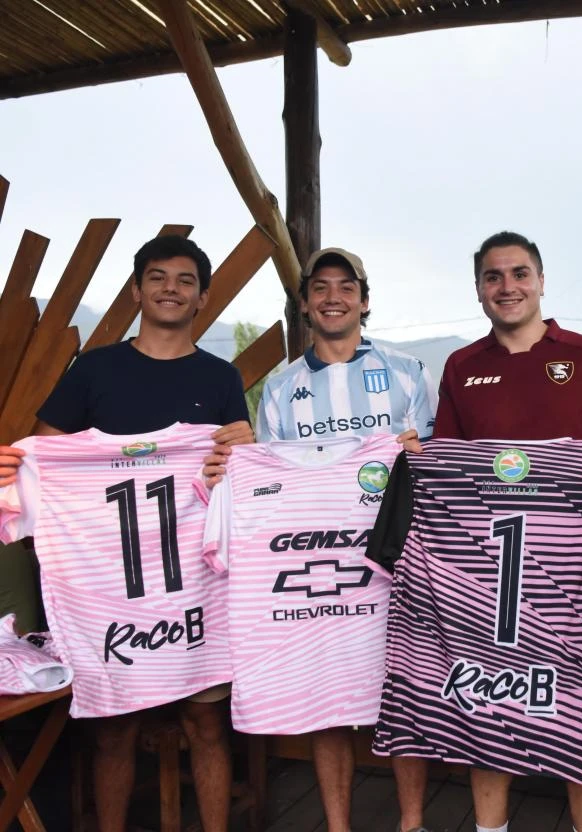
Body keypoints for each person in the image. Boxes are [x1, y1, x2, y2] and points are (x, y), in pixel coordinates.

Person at [0, 234, 253, 832]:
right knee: (114, 727)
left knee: (207, 725)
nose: (171, 288)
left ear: (202, 297)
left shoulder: (220, 377)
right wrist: (14, 468)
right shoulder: (94, 370)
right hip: (108, 589)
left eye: (185, 280)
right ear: (137, 289)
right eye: (158, 277)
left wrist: (243, 451)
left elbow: (243, 472)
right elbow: (46, 456)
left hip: (194, 582)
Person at [205, 246, 437, 832]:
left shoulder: (408, 372)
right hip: (314, 562)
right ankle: (338, 826)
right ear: (305, 302)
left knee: (401, 691)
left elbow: (435, 461)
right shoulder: (282, 388)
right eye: (321, 287)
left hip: (397, 559)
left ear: (364, 299)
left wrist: (418, 456)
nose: (334, 297)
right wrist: (229, 470)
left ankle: (412, 823)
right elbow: (273, 476)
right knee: (327, 695)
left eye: (346, 286)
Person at [433, 231, 582, 832]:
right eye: (494, 277)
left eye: (519, 273)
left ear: (542, 280)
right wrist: (415, 455)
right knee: (485, 706)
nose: (508, 287)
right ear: (479, 290)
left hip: (574, 573)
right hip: (486, 573)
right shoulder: (462, 366)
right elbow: (447, 467)